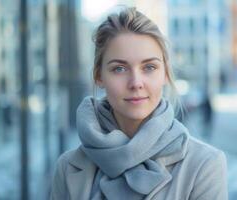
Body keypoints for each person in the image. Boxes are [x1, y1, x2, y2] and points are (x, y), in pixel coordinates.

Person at [50, 7, 227, 200]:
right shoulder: (68, 168)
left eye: (149, 67)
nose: (136, 83)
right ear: (99, 76)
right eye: (119, 68)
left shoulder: (204, 165)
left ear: (165, 74)